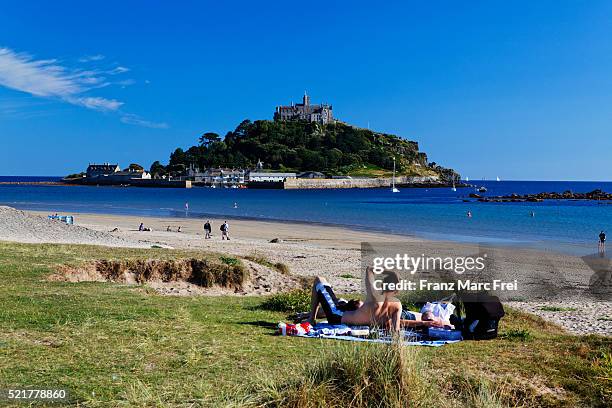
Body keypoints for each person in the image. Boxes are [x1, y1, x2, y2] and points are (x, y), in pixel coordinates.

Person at [308, 267, 402, 331]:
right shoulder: (397, 305)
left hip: (337, 317)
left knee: (319, 280)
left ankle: (311, 319)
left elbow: (370, 269)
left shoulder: (375, 296)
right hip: (358, 322)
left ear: (382, 284)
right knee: (344, 303)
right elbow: (396, 329)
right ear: (397, 290)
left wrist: (392, 272)